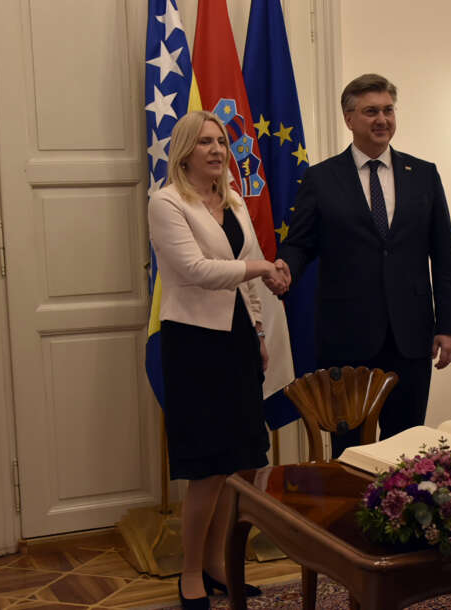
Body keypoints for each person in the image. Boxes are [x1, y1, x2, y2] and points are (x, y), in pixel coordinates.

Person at [270, 73, 451, 458]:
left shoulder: (423, 174)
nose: (382, 120)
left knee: (408, 445)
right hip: (347, 335)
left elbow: (444, 255)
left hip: (410, 335)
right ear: (349, 119)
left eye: (388, 110)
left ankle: (401, 500)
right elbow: (300, 243)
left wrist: (449, 326)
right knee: (351, 449)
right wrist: (284, 267)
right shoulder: (321, 178)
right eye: (371, 111)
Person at [148, 110, 287, 609]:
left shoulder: (234, 200)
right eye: (205, 142)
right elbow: (196, 270)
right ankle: (189, 573)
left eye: (222, 142)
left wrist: (258, 331)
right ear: (184, 151)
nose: (217, 150)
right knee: (207, 469)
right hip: (194, 344)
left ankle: (216, 564)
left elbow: (245, 279)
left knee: (241, 465)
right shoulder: (166, 202)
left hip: (238, 340)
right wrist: (262, 266)